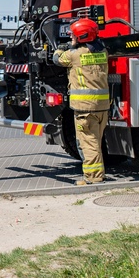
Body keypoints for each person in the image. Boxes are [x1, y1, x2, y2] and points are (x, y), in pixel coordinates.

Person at [53, 18, 110, 185]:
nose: (72, 38)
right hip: (102, 107)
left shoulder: (75, 55)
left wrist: (61, 48)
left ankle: (94, 178)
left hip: (85, 109)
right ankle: (99, 174)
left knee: (88, 144)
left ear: (81, 37)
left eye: (74, 36)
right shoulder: (103, 52)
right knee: (95, 142)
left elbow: (57, 59)